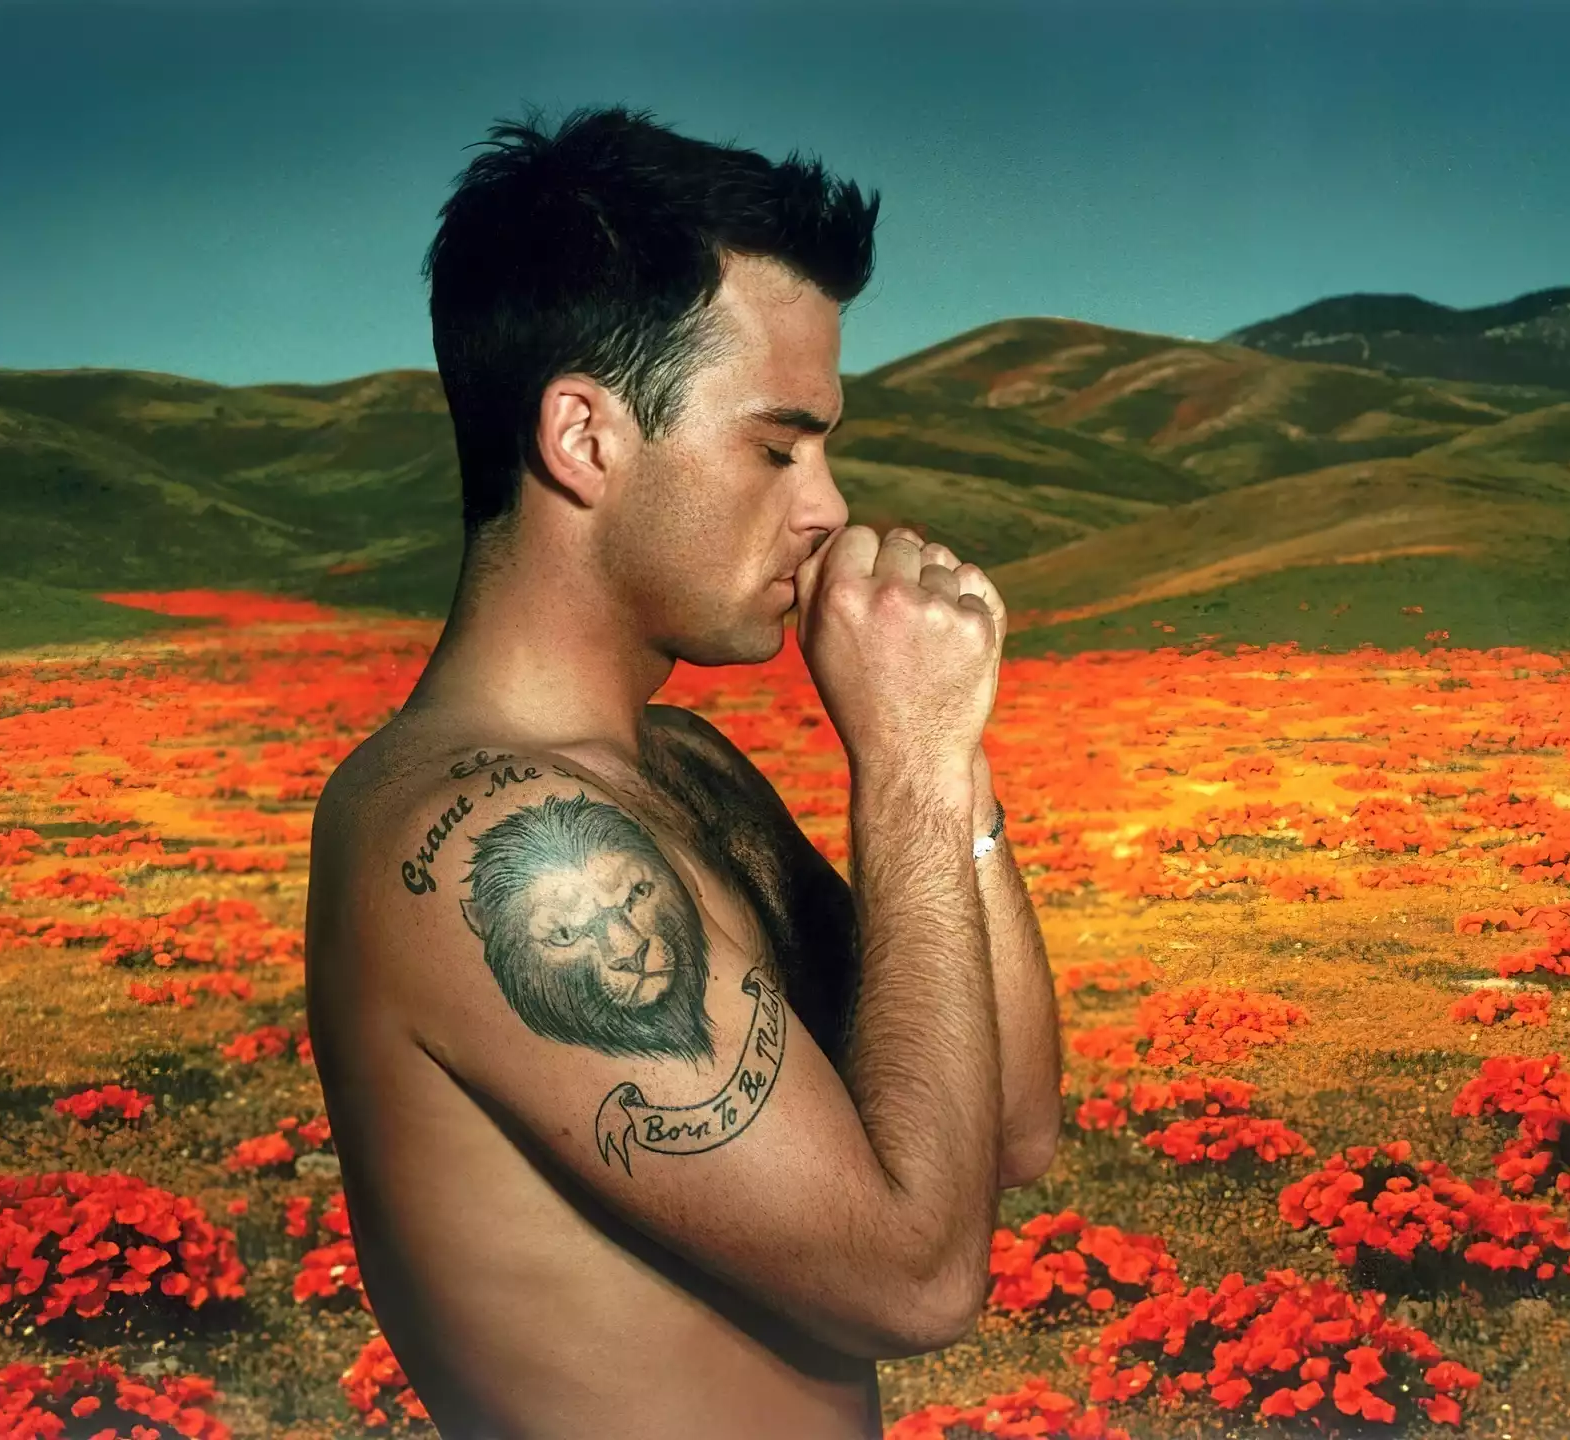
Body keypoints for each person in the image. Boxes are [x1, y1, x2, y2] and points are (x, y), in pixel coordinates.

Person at [304, 102, 1063, 1440]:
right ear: (584, 438)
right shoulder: (497, 839)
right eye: (777, 447)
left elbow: (1010, 1129)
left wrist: (945, 752)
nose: (826, 506)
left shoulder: (684, 768)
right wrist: (906, 769)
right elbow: (916, 1278)